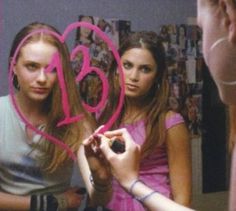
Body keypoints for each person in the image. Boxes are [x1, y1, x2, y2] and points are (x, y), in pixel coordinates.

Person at [0, 22, 111, 211]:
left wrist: (101, 178)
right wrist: (52, 203)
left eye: (52, 69)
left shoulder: (76, 121)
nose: (42, 78)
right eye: (32, 66)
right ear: (14, 66)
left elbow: (99, 197)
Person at [82, 31, 192, 210]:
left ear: (157, 76)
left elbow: (183, 200)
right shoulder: (103, 115)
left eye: (145, 69)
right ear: (117, 68)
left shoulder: (170, 122)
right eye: (127, 65)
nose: (133, 76)